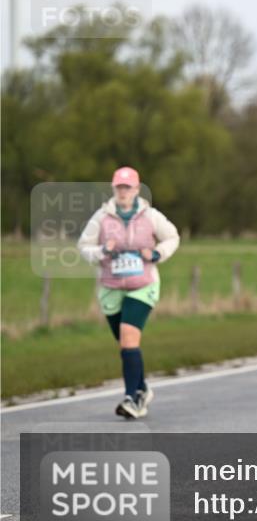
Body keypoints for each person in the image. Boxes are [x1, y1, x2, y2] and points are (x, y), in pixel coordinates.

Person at [77, 167, 180, 419]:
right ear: (114, 189)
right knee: (125, 342)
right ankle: (142, 388)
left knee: (128, 337)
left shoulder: (151, 216)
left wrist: (156, 253)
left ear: (136, 189)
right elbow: (83, 246)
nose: (123, 191)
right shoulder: (102, 217)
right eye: (119, 187)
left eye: (127, 187)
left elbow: (172, 237)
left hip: (143, 285)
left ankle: (131, 398)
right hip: (110, 287)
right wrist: (102, 250)